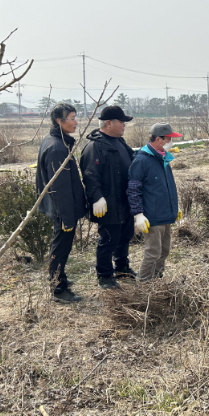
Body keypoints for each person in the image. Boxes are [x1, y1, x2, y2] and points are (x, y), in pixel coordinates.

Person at [80, 105, 136, 290]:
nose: (124, 126)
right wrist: (97, 197)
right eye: (122, 122)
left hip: (125, 201)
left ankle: (122, 267)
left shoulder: (120, 142)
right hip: (108, 203)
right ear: (109, 123)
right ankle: (104, 275)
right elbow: (90, 175)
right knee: (109, 239)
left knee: (125, 236)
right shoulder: (95, 146)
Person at [36, 103, 88, 303]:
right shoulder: (57, 148)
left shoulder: (56, 141)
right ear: (60, 121)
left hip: (59, 207)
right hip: (62, 209)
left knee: (60, 246)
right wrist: (67, 216)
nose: (76, 122)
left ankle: (59, 278)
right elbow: (60, 188)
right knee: (60, 247)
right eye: (72, 118)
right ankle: (58, 289)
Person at [127, 123, 182, 282]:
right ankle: (143, 285)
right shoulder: (142, 160)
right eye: (169, 139)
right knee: (153, 253)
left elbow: (165, 186)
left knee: (164, 251)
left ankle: (156, 282)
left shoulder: (163, 158)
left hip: (165, 214)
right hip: (152, 216)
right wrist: (138, 214)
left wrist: (174, 206)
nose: (171, 142)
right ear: (159, 139)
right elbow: (133, 189)